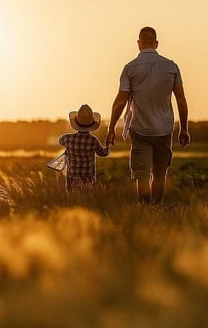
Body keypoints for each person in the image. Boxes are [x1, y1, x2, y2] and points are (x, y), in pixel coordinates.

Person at [104, 26, 189, 204]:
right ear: (156, 44)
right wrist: (184, 129)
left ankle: (144, 209)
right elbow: (181, 100)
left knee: (142, 174)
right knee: (160, 174)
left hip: (140, 129)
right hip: (164, 129)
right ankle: (156, 209)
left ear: (139, 44)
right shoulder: (171, 67)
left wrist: (111, 128)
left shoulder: (130, 68)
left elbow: (120, 101)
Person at [58, 104, 111, 190]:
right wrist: (108, 145)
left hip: (72, 176)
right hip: (88, 177)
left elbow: (60, 140)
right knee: (87, 197)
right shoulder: (93, 140)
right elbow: (103, 153)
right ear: (91, 123)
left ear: (76, 122)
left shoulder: (67, 139)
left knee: (72, 199)